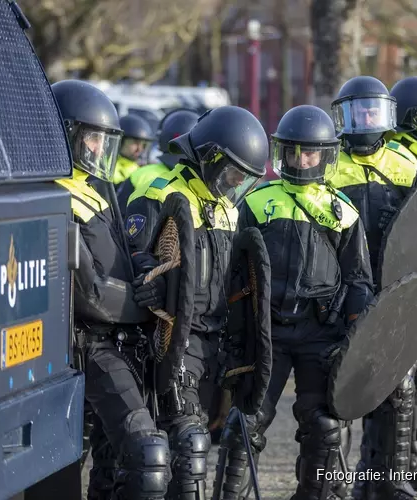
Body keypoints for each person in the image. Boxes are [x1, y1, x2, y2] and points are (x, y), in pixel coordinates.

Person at [211, 104, 374, 500]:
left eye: (311, 152)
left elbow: (358, 280)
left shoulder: (344, 212)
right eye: (295, 150)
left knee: (323, 426)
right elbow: (232, 268)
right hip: (267, 332)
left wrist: (354, 336)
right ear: (281, 152)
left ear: (325, 155)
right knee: (245, 422)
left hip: (321, 332)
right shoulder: (255, 201)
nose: (302, 159)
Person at [126, 105, 269, 500]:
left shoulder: (227, 208)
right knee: (190, 445)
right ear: (209, 158)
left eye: (244, 179)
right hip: (176, 341)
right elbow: (132, 254)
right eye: (232, 173)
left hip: (217, 345)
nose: (235, 183)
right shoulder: (160, 194)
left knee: (207, 436)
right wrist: (149, 280)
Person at [323, 75, 417, 499]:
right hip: (341, 293)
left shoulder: (407, 164)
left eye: (371, 112)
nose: (364, 122)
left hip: (394, 291)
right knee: (338, 390)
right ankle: (334, 483)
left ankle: (384, 477)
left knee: (398, 388)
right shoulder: (327, 163)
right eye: (355, 112)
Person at [51, 79, 170, 500]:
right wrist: (145, 307)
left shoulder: (92, 193)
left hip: (120, 345)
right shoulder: (54, 198)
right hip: (90, 347)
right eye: (91, 139)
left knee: (108, 471)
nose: (99, 150)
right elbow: (92, 293)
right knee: (147, 457)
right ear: (65, 136)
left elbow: (118, 253)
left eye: (103, 141)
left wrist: (146, 271)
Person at [117, 108, 200, 215]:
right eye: (134, 143)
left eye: (143, 144)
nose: (139, 149)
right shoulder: (205, 184)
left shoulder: (141, 174)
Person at [112, 114, 156, 187]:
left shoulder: (142, 169)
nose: (140, 149)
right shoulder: (106, 167)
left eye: (144, 145)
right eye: (136, 143)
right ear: (120, 141)